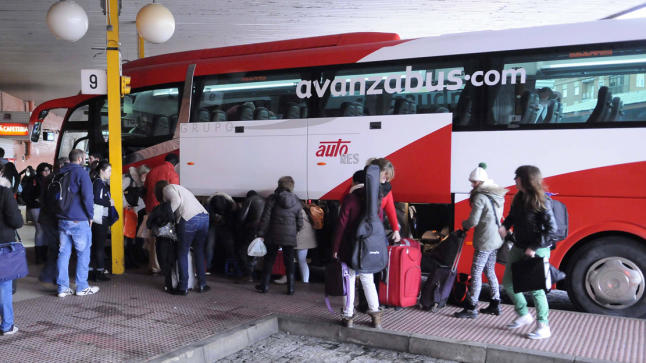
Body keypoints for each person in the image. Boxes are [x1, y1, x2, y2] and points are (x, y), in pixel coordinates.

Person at [499, 165, 557, 340]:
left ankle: (543, 326)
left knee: (536, 289)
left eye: (517, 177)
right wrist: (504, 226)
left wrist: (533, 247)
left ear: (526, 179)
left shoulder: (542, 200)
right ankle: (523, 314)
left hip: (538, 249)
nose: (514, 180)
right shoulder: (518, 197)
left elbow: (551, 230)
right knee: (508, 283)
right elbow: (512, 216)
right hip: (519, 245)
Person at [454, 163, 507, 319]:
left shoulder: (480, 197)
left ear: (481, 182)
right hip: (496, 238)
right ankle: (495, 303)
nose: (472, 184)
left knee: (476, 272)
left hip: (485, 240)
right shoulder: (496, 194)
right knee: (489, 270)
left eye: (474, 182)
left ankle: (471, 307)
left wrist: (463, 225)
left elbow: (473, 221)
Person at [332, 170, 382, 328]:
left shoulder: (350, 199)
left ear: (354, 182)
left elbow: (341, 225)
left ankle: (348, 317)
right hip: (368, 247)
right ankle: (375, 316)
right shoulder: (374, 200)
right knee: (368, 280)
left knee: (349, 280)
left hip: (350, 247)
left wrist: (336, 247)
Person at [56, 149, 99, 297]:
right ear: (80, 159)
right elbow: (88, 197)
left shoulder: (60, 172)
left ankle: (62, 288)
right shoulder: (81, 173)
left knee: (63, 253)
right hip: (78, 219)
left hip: (62, 219)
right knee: (83, 252)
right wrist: (90, 215)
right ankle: (82, 287)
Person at [156, 180, 210, 295]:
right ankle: (202, 284)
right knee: (199, 251)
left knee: (182, 252)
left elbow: (176, 201)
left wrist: (166, 218)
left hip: (189, 218)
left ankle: (183, 287)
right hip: (204, 217)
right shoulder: (181, 188)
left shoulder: (167, 189)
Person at [255, 176, 303, 295]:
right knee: (289, 262)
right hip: (290, 236)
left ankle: (264, 286)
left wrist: (261, 233)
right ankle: (291, 288)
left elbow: (265, 218)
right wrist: (294, 230)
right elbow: (300, 221)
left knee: (269, 260)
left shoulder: (273, 199)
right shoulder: (296, 200)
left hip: (273, 234)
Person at [144, 154, 179, 274]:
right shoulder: (172, 173)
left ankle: (153, 266)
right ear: (175, 164)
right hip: (163, 210)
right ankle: (162, 266)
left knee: (153, 238)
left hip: (150, 209)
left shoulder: (152, 171)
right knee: (165, 238)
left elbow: (145, 190)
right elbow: (175, 193)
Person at [0, 174, 23, 335]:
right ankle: (7, 324)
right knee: (4, 286)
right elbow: (16, 221)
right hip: (2, 243)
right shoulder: (4, 192)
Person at [146, 187, 177, 293]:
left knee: (164, 261)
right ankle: (177, 283)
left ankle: (169, 284)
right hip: (174, 238)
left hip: (162, 238)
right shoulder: (175, 207)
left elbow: (149, 224)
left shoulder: (157, 208)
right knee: (173, 261)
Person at [89, 160, 113, 282]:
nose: (110, 173)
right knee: (99, 246)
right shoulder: (99, 183)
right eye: (108, 171)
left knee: (96, 245)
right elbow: (97, 199)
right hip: (100, 219)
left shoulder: (98, 182)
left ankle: (95, 270)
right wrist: (109, 202)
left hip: (99, 218)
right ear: (101, 171)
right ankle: (99, 271)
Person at [235, 190, 265, 283]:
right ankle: (257, 274)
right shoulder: (264, 200)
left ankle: (247, 275)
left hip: (251, 229)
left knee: (243, 251)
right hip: (263, 230)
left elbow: (242, 217)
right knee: (257, 252)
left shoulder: (249, 200)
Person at [296, 202, 318, 284]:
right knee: (302, 260)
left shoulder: (298, 210)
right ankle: (305, 281)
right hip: (305, 239)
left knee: (300, 260)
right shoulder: (306, 210)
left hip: (301, 239)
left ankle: (305, 281)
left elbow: (298, 225)